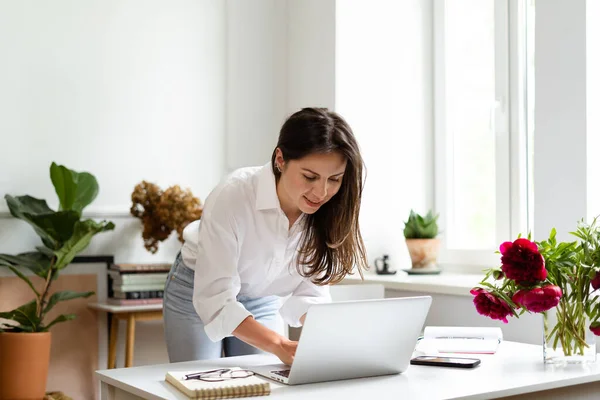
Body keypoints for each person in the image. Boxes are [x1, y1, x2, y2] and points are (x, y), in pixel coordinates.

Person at [163, 107, 368, 365]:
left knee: (263, 386)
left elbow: (311, 294)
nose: (322, 192)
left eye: (335, 179)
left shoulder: (330, 212)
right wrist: (279, 343)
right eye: (309, 177)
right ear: (280, 160)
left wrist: (336, 340)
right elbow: (215, 301)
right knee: (197, 383)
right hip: (198, 289)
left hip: (261, 296)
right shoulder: (232, 195)